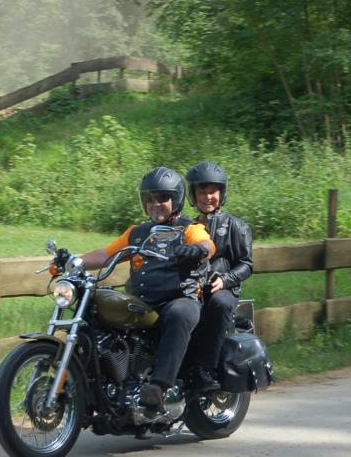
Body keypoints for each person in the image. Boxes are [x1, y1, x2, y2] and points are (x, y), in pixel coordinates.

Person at [80, 166, 215, 407]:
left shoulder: (189, 229)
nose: (155, 204)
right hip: (143, 302)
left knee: (179, 313)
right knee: (98, 309)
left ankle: (159, 387)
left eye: (162, 198)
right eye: (149, 199)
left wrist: (197, 249)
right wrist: (73, 261)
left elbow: (208, 245)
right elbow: (106, 254)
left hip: (180, 298)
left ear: (176, 199)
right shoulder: (137, 233)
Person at [185, 161, 254, 390]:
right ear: (193, 195)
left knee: (219, 304)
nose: (208, 197)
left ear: (221, 194)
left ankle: (206, 368)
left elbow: (246, 264)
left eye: (213, 192)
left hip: (225, 289)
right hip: (192, 286)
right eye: (202, 192)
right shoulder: (187, 227)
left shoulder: (236, 226)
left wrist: (225, 280)